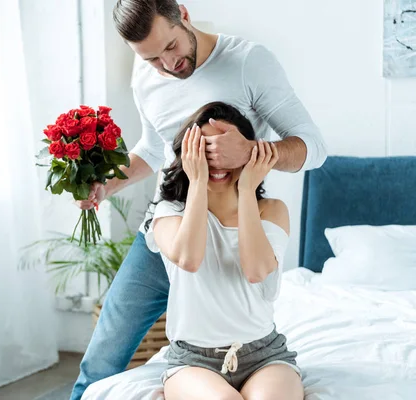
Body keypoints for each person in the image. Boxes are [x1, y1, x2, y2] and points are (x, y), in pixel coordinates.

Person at [71, 1, 327, 399]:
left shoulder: (248, 62)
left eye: (171, 47)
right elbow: (155, 150)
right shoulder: (146, 76)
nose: (168, 65)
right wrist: (108, 186)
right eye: (152, 58)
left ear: (183, 15)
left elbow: (313, 147)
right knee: (104, 353)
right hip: (171, 227)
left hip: (230, 226)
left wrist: (253, 153)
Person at [147, 102, 303, 399]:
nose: (216, 163)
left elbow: (256, 271)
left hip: (264, 355)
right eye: (205, 152)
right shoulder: (169, 212)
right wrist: (197, 180)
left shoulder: (271, 210)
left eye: (224, 152)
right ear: (189, 155)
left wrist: (246, 190)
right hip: (194, 361)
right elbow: (189, 259)